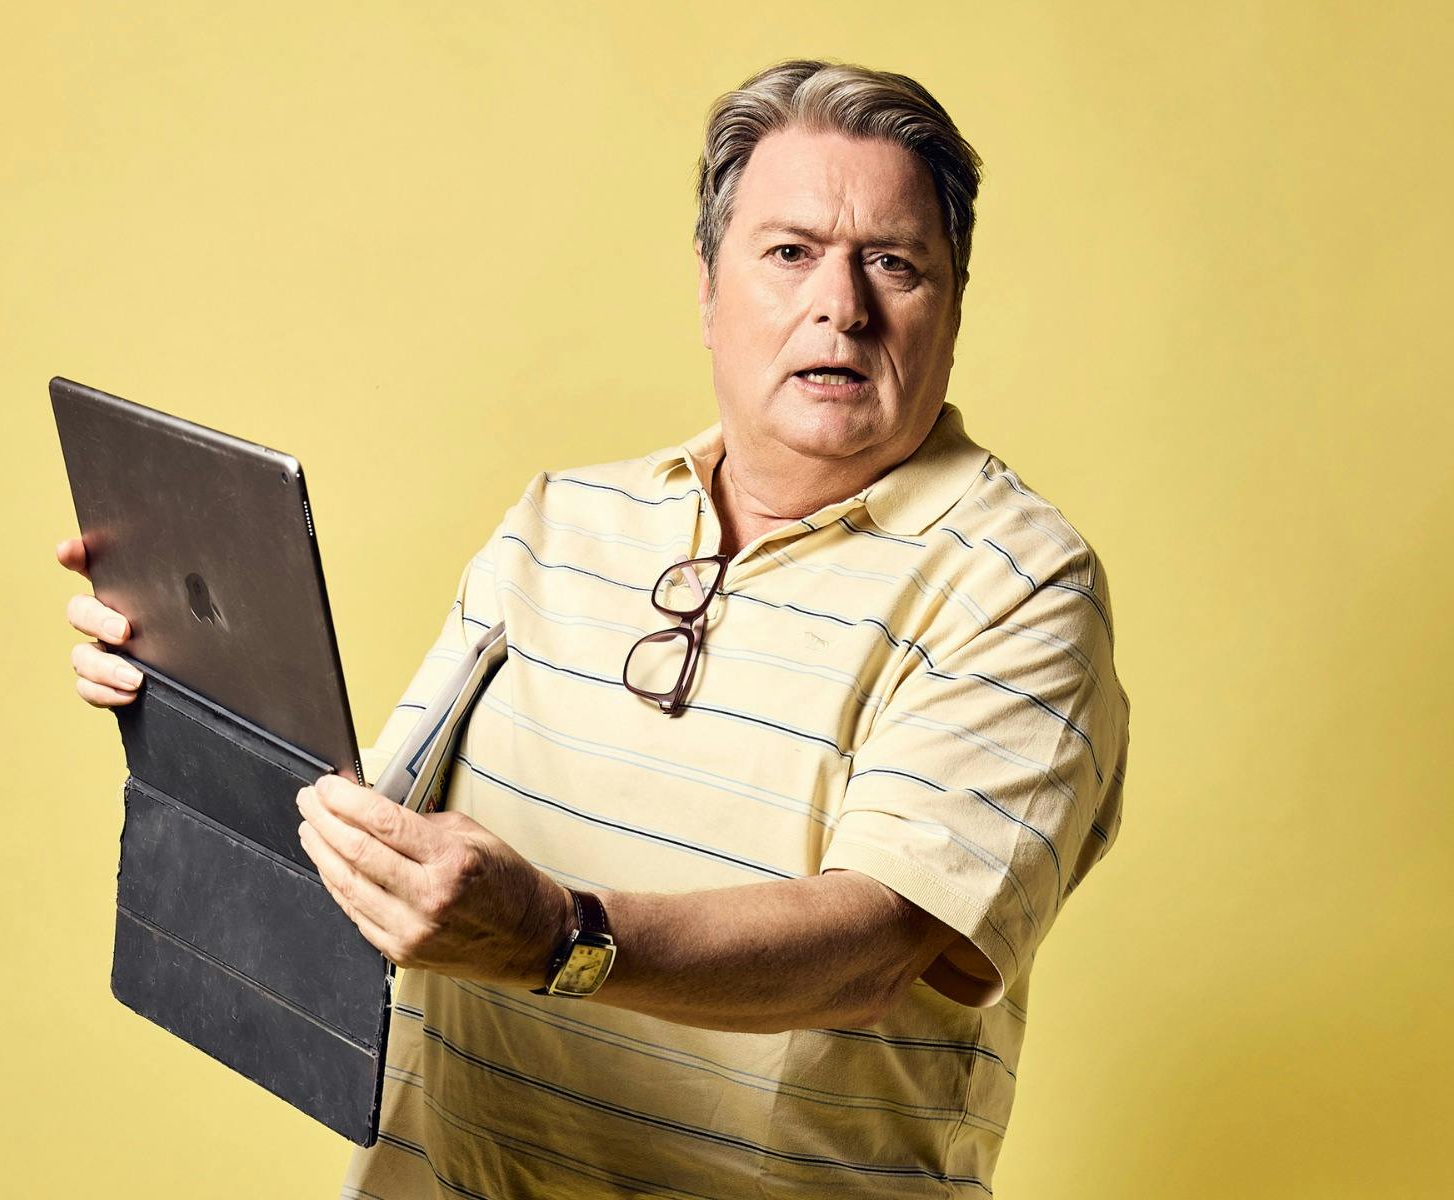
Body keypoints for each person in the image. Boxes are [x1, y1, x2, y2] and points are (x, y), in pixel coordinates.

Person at [58, 58, 1130, 1199]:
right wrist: (192, 690)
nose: (841, 304)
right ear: (711, 290)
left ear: (951, 305)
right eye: (789, 252)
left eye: (894, 263)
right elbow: (368, 864)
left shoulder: (1020, 587)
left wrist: (557, 937)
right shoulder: (559, 520)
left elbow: (868, 951)